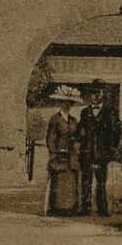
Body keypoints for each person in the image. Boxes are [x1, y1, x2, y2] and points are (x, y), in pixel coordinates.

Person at [77, 92, 122, 217]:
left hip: (102, 154)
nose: (95, 96)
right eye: (93, 93)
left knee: (101, 182)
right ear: (90, 96)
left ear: (102, 95)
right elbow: (80, 130)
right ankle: (85, 208)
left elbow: (116, 131)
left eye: (98, 93)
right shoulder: (85, 112)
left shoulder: (110, 112)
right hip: (87, 153)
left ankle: (102, 208)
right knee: (86, 181)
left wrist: (112, 149)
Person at [43, 88, 82, 216]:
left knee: (71, 180)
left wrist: (77, 144)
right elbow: (50, 138)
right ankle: (57, 208)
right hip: (59, 154)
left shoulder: (73, 120)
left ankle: (70, 208)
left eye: (70, 103)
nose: (67, 105)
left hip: (71, 155)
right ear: (60, 103)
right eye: (64, 102)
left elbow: (77, 136)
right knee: (59, 180)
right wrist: (54, 151)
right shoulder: (55, 119)